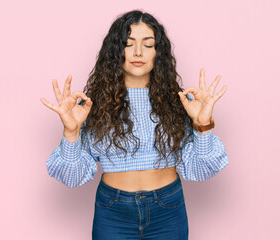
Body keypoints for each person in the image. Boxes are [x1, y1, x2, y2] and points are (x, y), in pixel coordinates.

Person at [40, 9, 228, 240]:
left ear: (158, 52)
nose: (138, 52)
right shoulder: (91, 105)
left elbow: (201, 169)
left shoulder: (182, 102)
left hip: (168, 209)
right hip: (113, 212)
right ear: (115, 50)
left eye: (148, 45)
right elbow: (71, 176)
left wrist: (203, 124)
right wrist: (71, 131)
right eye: (129, 43)